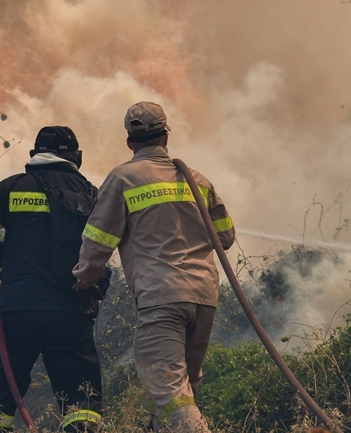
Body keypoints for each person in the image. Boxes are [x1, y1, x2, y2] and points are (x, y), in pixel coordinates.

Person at [72, 102, 235, 432]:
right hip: (204, 298)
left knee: (171, 393)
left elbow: (98, 240)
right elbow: (226, 237)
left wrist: (83, 279)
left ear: (130, 142)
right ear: (165, 137)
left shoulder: (123, 178)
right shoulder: (197, 181)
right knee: (183, 392)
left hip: (161, 300)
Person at [0, 126, 106, 433]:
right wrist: (96, 287)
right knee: (81, 403)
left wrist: (3, 262)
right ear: (74, 156)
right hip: (70, 313)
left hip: (18, 310)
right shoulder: (91, 195)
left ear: (35, 153)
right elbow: (103, 249)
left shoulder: (10, 188)